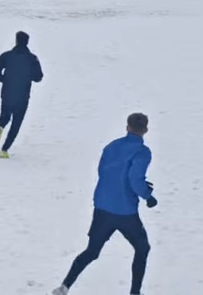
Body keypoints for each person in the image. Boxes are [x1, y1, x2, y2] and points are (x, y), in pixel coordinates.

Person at [53, 113, 157, 295]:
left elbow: (105, 172)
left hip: (102, 206)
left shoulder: (111, 147)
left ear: (127, 127)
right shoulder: (142, 152)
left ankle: (64, 286)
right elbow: (134, 179)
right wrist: (148, 196)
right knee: (142, 248)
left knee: (92, 251)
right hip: (125, 212)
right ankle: (135, 292)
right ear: (146, 130)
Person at [0, 31, 44, 158]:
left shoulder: (7, 56)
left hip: (7, 92)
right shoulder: (32, 58)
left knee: (5, 113)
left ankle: (0, 127)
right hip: (23, 95)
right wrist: (29, 76)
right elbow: (38, 77)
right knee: (16, 123)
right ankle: (4, 149)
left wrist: (3, 79)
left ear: (16, 41)